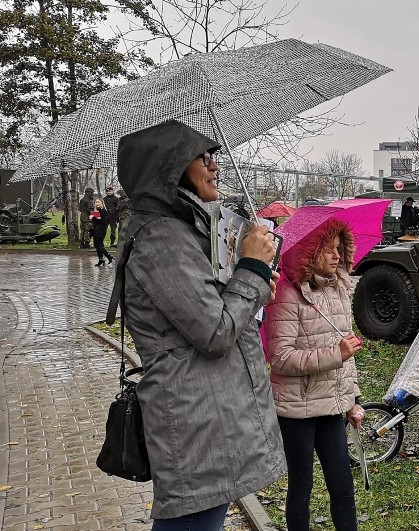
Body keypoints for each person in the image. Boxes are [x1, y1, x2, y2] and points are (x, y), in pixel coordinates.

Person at [107, 119, 286, 528]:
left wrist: (255, 285)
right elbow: (216, 331)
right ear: (170, 168)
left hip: (209, 415)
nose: (214, 166)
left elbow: (216, 311)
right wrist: (253, 267)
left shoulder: (180, 231)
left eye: (214, 157)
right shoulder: (161, 239)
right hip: (196, 419)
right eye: (202, 157)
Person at [263, 218, 364, 531]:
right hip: (297, 411)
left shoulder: (337, 291)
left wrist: (352, 399)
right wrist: (335, 354)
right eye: (328, 249)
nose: (336, 256)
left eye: (338, 249)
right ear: (309, 252)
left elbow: (347, 354)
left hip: (332, 407)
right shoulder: (286, 294)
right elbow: (280, 358)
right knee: (301, 487)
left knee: (343, 486)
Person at [89, 198, 113, 266]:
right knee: (97, 245)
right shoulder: (96, 211)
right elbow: (96, 222)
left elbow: (103, 222)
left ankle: (108, 256)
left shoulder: (103, 211)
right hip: (95, 230)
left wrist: (93, 218)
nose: (97, 203)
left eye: (99, 202)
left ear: (102, 203)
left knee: (99, 245)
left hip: (101, 230)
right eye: (96, 202)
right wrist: (93, 217)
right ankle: (101, 259)